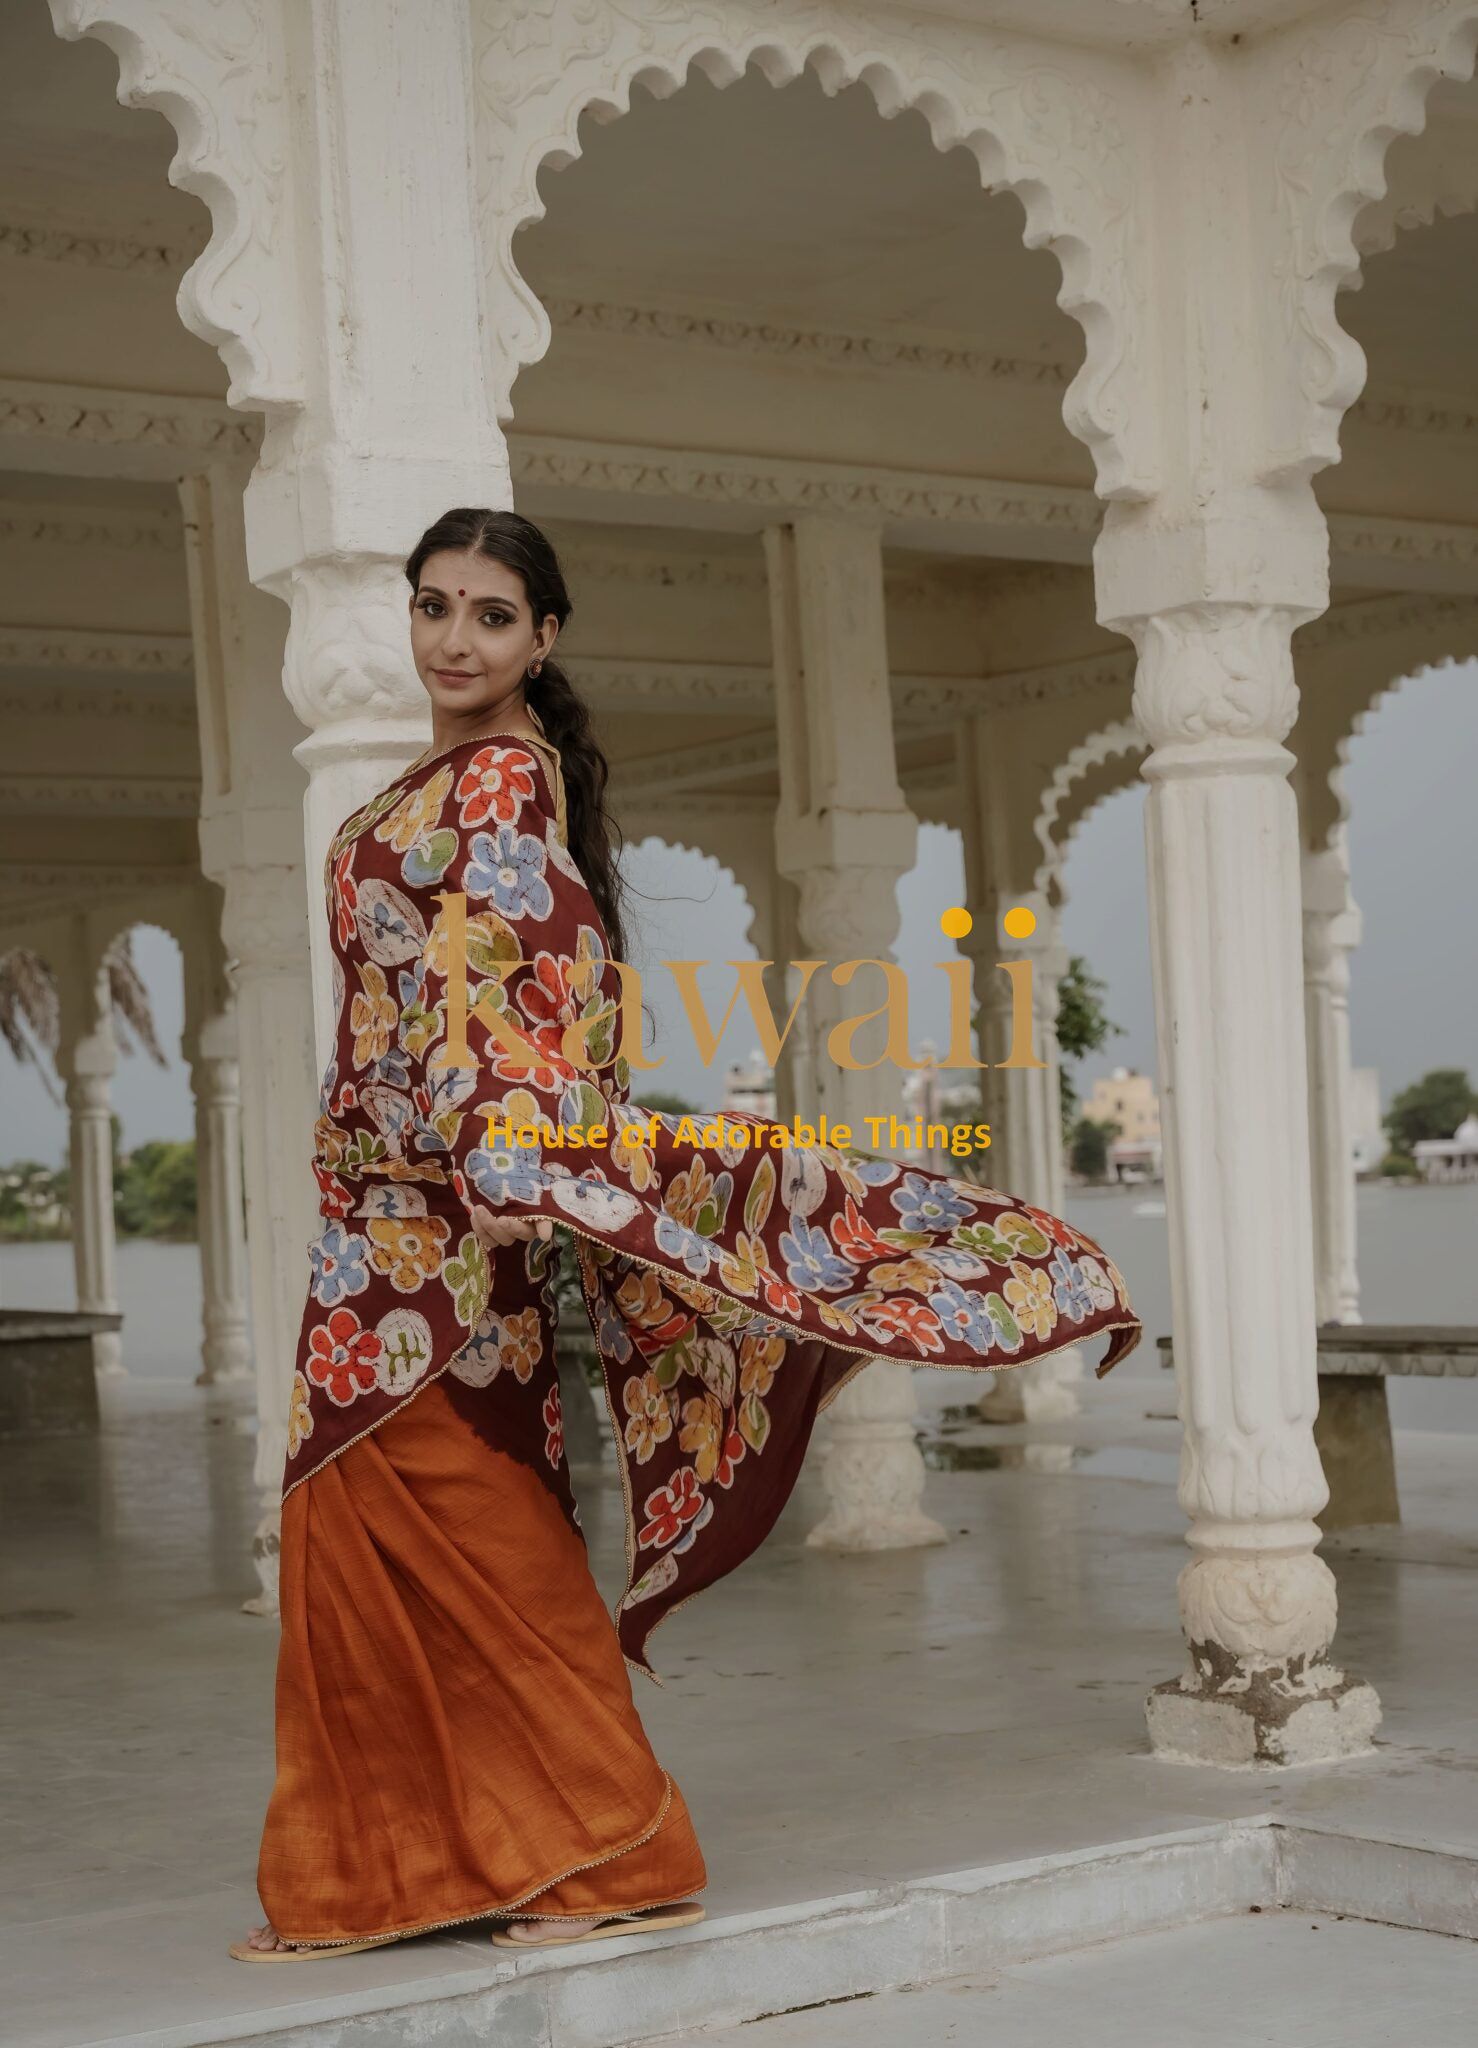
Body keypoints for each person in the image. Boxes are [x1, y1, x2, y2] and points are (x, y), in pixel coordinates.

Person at [232, 508, 1140, 1962]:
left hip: (444, 1236)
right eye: (432, 606)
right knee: (360, 1535)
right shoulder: (437, 779)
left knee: (475, 1533)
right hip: (372, 1235)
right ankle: (396, 1872)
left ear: (543, 638)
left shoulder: (499, 788)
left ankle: (615, 1850)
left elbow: (532, 986)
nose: (453, 638)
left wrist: (498, 1156)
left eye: (488, 614)